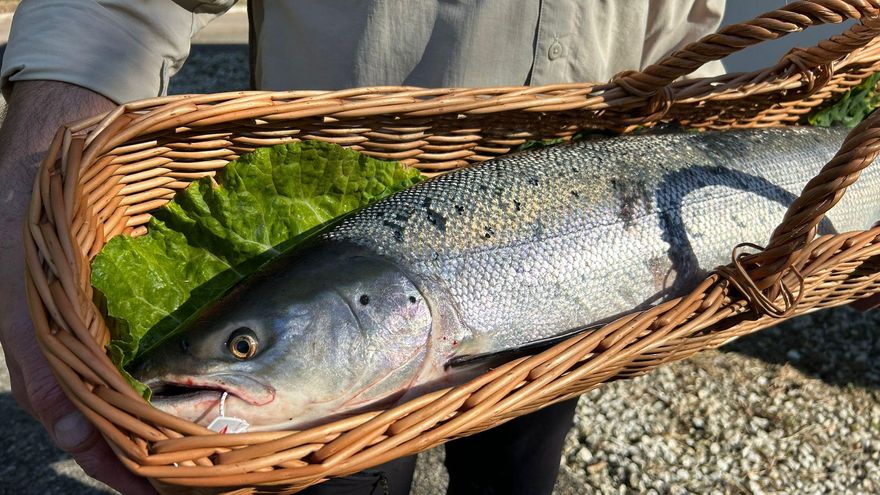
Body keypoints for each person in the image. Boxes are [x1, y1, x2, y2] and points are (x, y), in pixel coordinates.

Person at [0, 1, 726, 494]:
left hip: (578, 266)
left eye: (242, 346)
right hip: (330, 251)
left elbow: (686, 37)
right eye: (242, 347)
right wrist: (27, 191)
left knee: (517, 472)